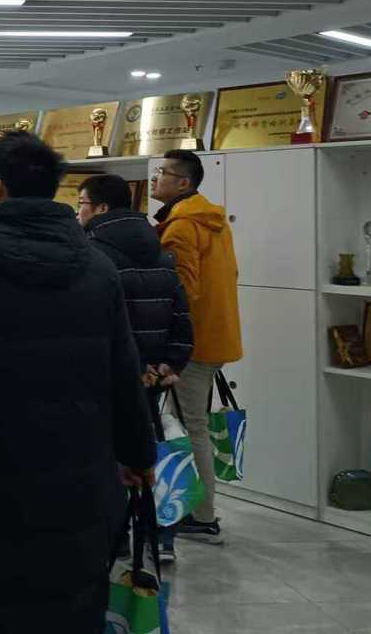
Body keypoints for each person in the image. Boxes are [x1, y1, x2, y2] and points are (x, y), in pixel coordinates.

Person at [0, 131, 155, 633]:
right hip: (80, 473)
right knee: (70, 598)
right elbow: (123, 373)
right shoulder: (97, 268)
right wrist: (136, 453)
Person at [78, 173, 193, 564]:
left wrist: (135, 366)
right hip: (154, 378)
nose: (78, 213)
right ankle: (161, 537)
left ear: (101, 208)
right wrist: (169, 364)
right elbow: (182, 315)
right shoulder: (161, 250)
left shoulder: (93, 256)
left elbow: (102, 322)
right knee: (152, 451)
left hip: (112, 375)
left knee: (109, 455)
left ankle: (117, 540)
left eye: (81, 204)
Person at [151, 149, 243, 545]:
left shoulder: (182, 226)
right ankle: (193, 509)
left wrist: (166, 345)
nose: (156, 178)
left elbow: (181, 291)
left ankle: (202, 517)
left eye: (163, 172)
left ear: (183, 183)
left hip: (193, 343)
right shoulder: (212, 220)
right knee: (189, 424)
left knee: (191, 428)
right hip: (215, 335)